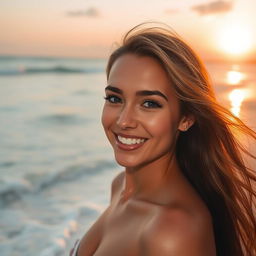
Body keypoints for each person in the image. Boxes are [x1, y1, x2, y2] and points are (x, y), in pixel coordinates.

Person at [70, 23, 256, 256]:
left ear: (186, 118)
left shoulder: (174, 232)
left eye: (149, 103)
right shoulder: (119, 186)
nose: (124, 121)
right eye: (115, 98)